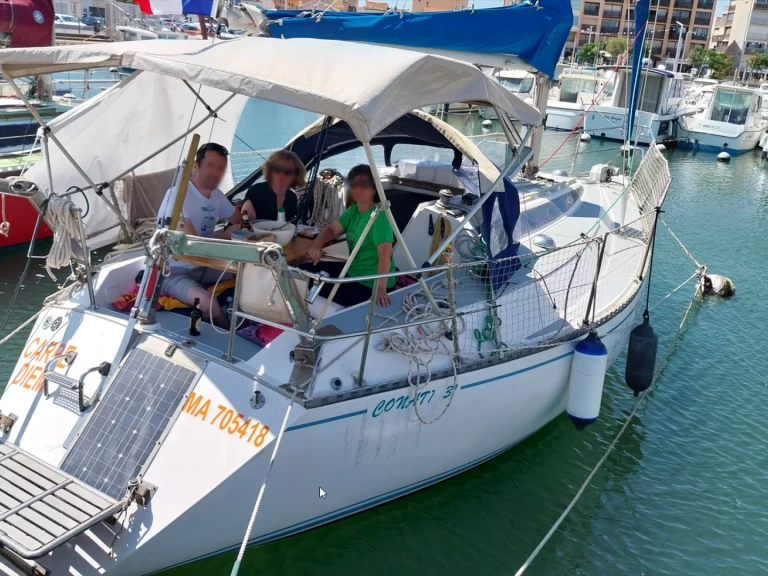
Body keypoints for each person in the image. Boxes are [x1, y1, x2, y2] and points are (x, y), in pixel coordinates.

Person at [157, 142, 242, 327]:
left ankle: (247, 320)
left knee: (247, 273)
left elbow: (238, 218)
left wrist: (243, 217)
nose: (216, 172)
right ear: (196, 166)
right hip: (173, 271)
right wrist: (225, 236)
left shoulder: (217, 196)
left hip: (204, 266)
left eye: (221, 168)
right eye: (210, 165)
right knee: (208, 303)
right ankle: (228, 333)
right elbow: (191, 245)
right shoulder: (178, 196)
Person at [305, 165, 395, 308]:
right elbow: (332, 230)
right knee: (304, 273)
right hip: (352, 272)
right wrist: (317, 244)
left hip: (370, 283)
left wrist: (380, 288)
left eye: (364, 184)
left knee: (310, 284)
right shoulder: (354, 210)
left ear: (374, 188)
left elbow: (385, 254)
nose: (357, 189)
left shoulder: (379, 215)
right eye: (353, 184)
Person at [241, 150, 306, 223]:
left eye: (288, 172)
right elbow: (245, 222)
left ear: (296, 175)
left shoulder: (292, 197)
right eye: (277, 170)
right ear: (270, 171)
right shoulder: (256, 191)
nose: (281, 176)